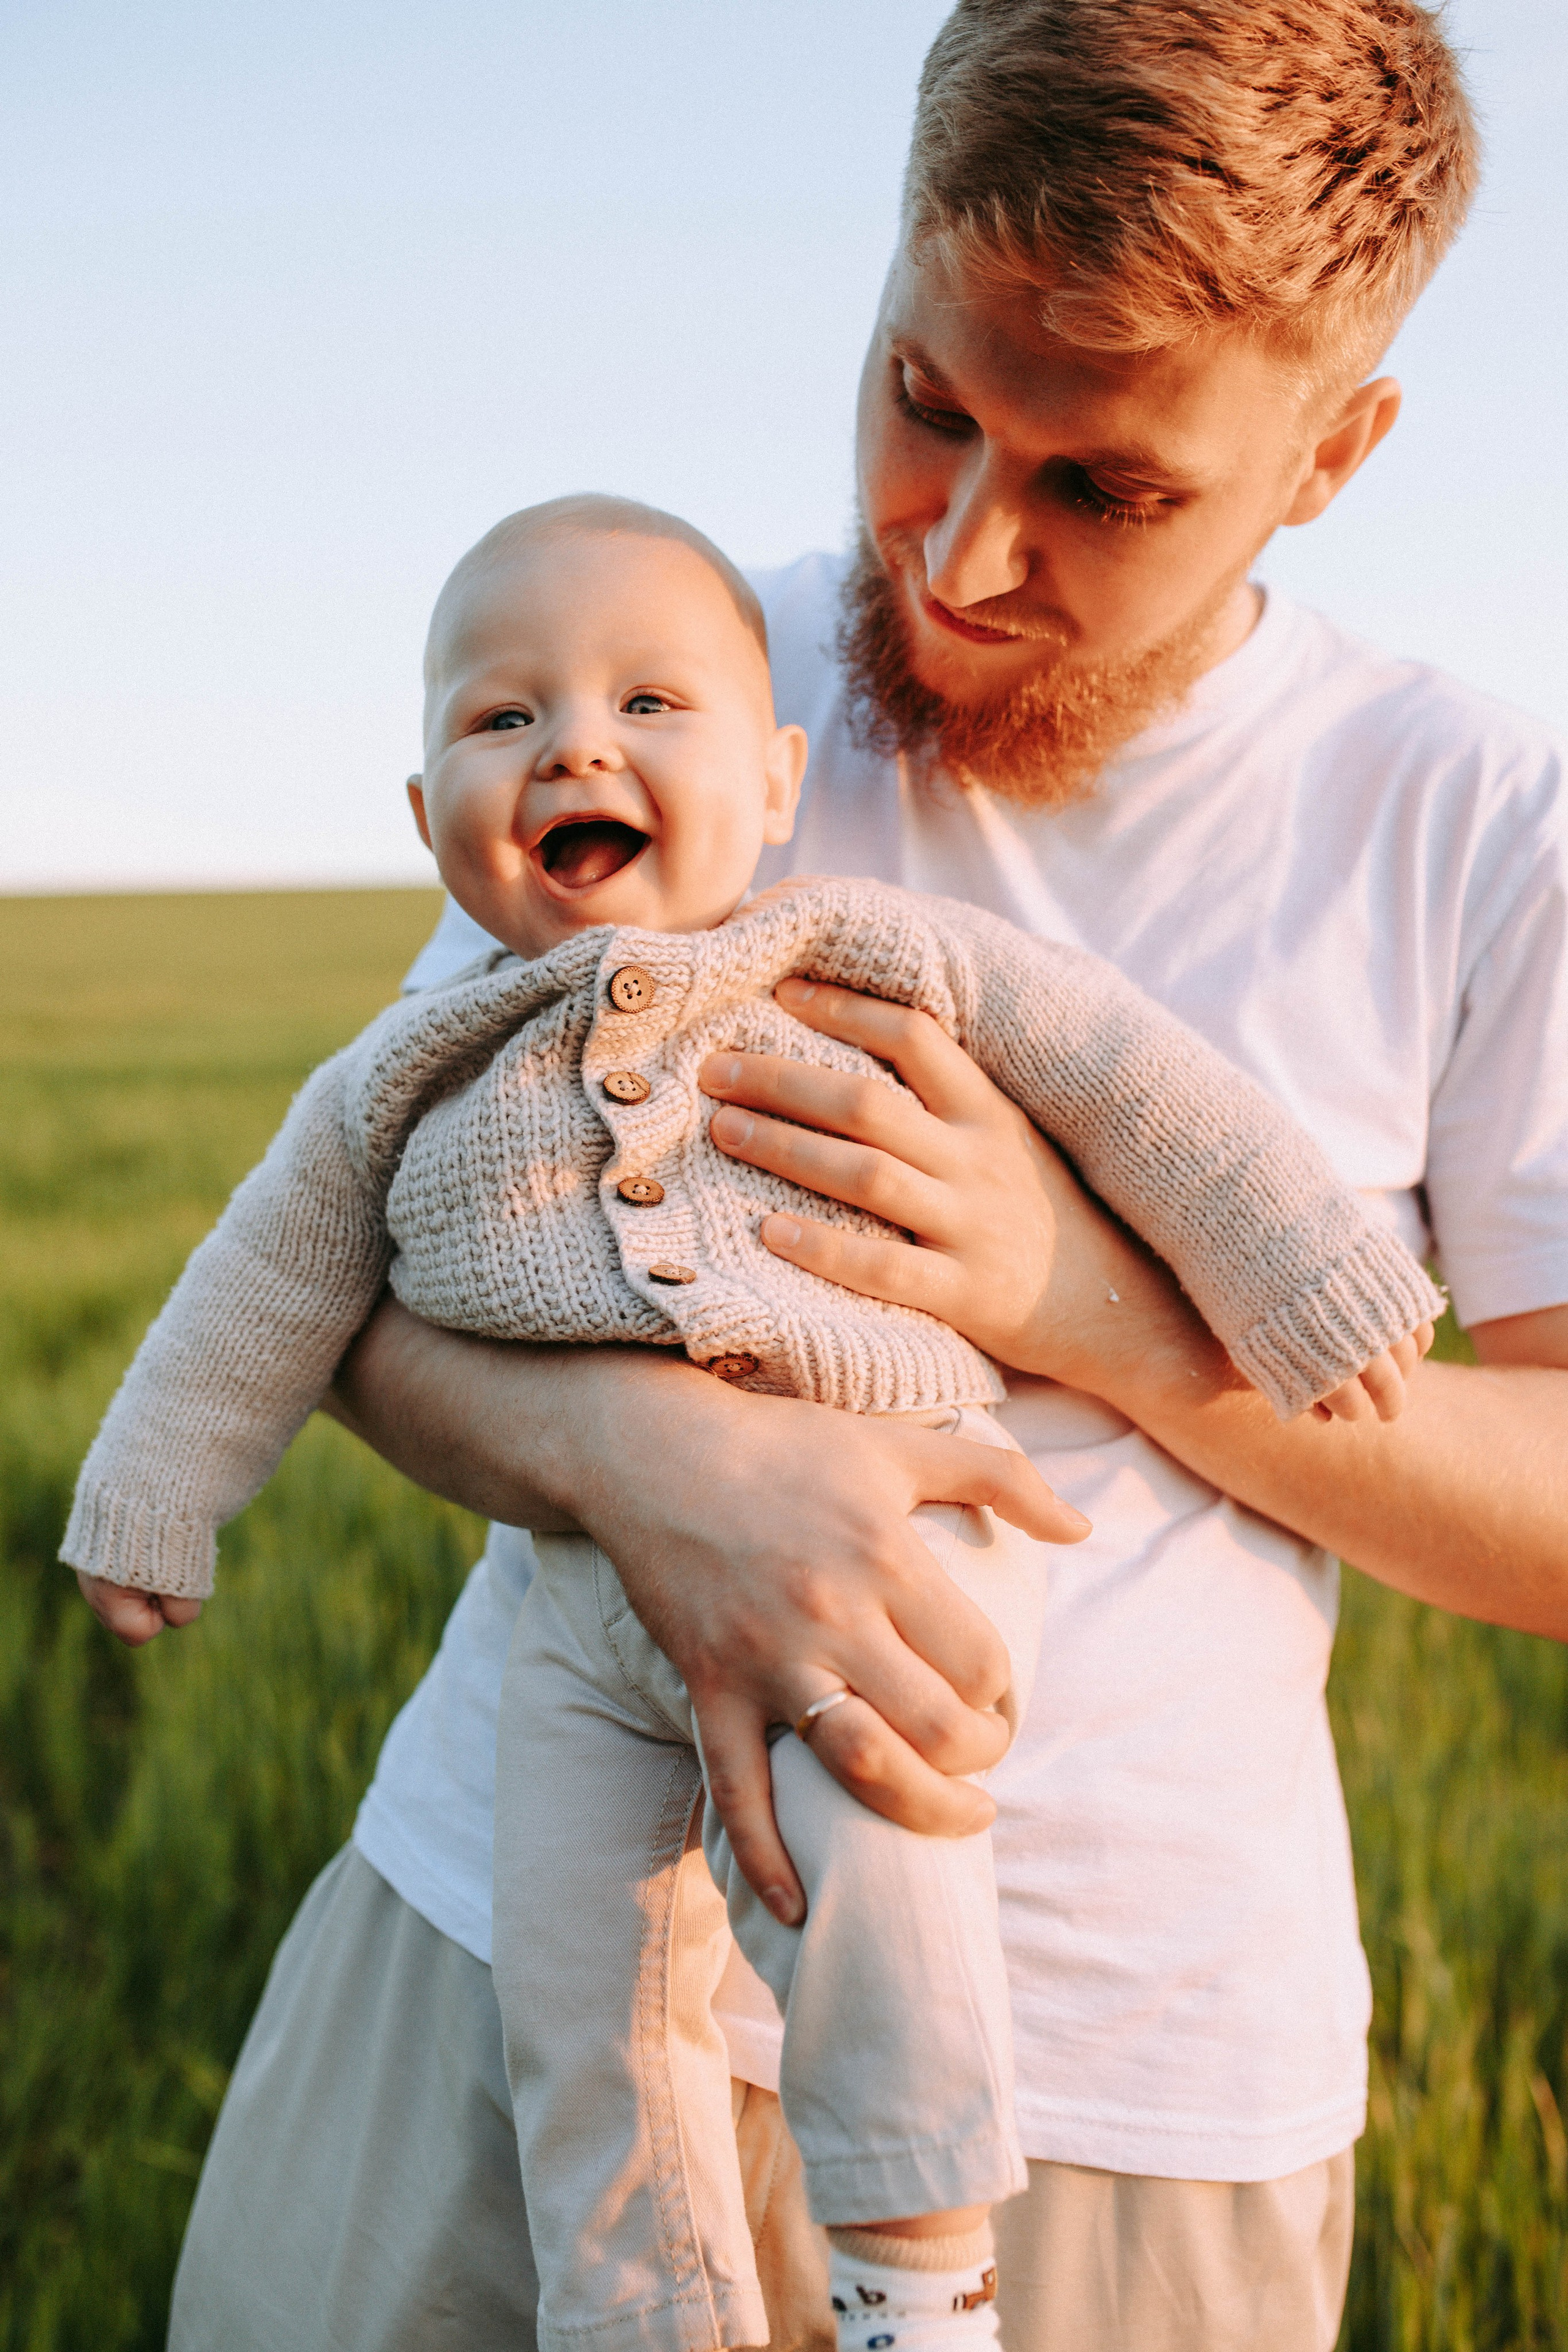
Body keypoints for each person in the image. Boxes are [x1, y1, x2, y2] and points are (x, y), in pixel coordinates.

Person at [80, 4, 1568, 2348]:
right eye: (928, 402)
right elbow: (355, 1238)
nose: (965, 554)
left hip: (1113, 2090)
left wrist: (1088, 1304)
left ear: (1335, 453)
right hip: (496, 1940)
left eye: (1109, 486)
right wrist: (653, 1475)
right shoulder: (662, 669)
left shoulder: (1474, 826)